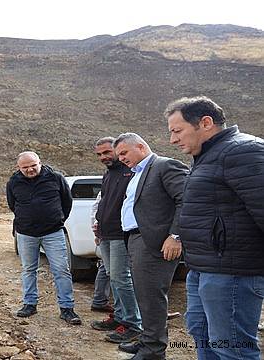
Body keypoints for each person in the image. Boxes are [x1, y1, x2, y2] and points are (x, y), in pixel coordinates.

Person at [166, 96, 264, 360]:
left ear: (205, 123)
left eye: (177, 131)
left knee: (232, 348)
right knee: (202, 335)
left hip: (232, 271)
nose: (173, 140)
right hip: (203, 268)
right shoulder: (208, 156)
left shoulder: (242, 151)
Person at [113, 133, 188, 360]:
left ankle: (153, 352)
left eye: (124, 153)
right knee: (144, 295)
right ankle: (148, 341)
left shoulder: (165, 165)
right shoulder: (137, 173)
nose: (121, 159)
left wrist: (176, 235)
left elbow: (186, 199)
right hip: (137, 240)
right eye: (119, 156)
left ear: (141, 146)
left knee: (152, 296)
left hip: (154, 242)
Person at [6, 151, 81, 325]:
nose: (30, 169)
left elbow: (66, 202)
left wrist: (58, 219)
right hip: (26, 233)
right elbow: (12, 204)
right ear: (19, 168)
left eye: (33, 165)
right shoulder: (13, 182)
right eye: (25, 167)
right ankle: (30, 304)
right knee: (28, 270)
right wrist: (25, 219)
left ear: (40, 163)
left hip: (53, 232)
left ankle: (67, 308)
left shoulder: (55, 178)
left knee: (61, 270)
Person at [89, 137, 143, 344]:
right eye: (99, 154)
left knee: (122, 278)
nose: (103, 157)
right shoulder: (108, 174)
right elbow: (103, 202)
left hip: (122, 234)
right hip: (105, 233)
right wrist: (97, 226)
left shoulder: (133, 171)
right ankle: (120, 317)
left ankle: (133, 324)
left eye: (107, 152)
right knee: (114, 278)